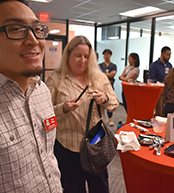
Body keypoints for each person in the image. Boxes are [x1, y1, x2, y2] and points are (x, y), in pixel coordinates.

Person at [0, 0, 62, 192]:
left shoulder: (41, 89)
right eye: (15, 29)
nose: (33, 40)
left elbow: (47, 159)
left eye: (37, 29)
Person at [46, 36, 119, 193]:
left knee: (100, 188)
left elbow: (114, 103)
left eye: (86, 56)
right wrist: (62, 109)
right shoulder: (56, 79)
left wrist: (104, 98)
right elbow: (45, 117)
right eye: (78, 55)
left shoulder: (98, 77)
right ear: (69, 55)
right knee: (72, 188)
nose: (83, 60)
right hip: (67, 147)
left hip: (96, 145)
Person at [149, 46, 172, 117]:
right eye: (167, 55)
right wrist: (160, 83)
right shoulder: (154, 65)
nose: (169, 56)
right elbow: (151, 79)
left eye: (170, 55)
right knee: (160, 111)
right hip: (159, 91)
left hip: (168, 91)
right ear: (162, 54)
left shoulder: (169, 65)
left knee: (167, 111)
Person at [99, 49, 117, 126]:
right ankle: (101, 119)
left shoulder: (113, 65)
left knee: (109, 100)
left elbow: (113, 74)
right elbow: (98, 75)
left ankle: (110, 118)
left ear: (110, 55)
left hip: (110, 86)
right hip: (100, 86)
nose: (106, 56)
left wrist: (103, 74)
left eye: (108, 54)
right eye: (105, 54)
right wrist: (108, 74)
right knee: (100, 101)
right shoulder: (99, 65)